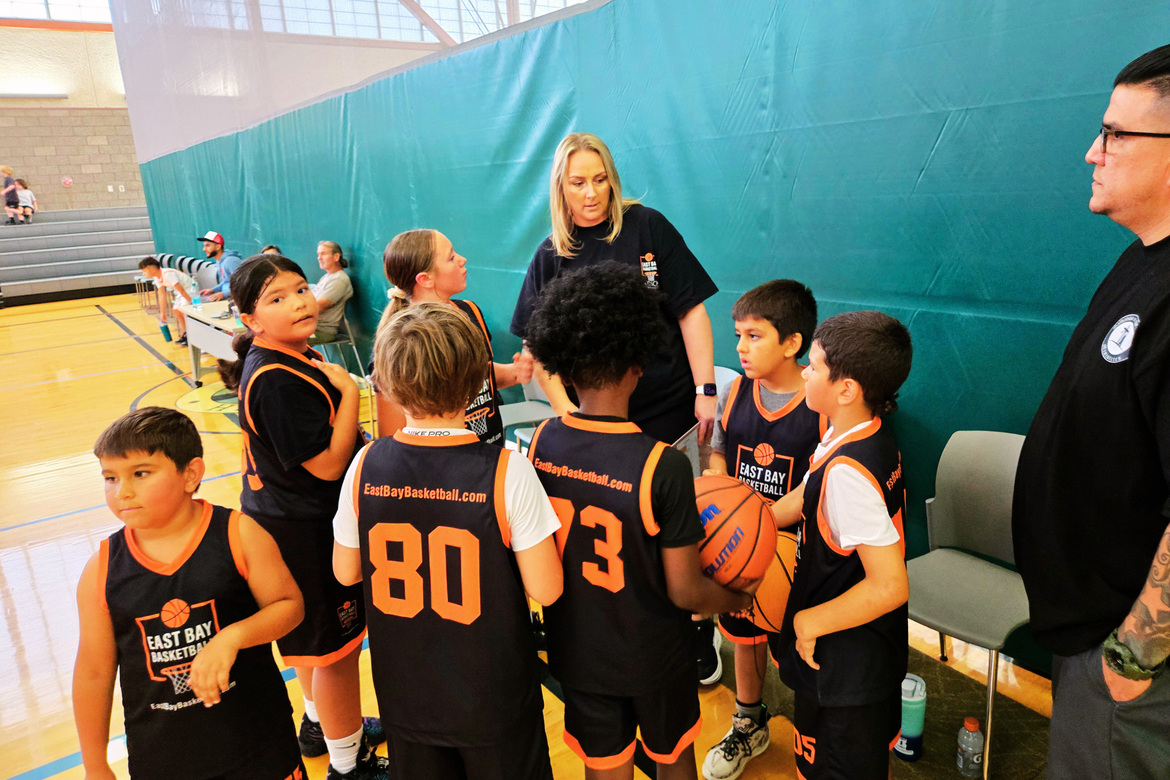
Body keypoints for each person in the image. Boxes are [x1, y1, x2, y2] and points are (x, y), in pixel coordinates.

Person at [524, 261, 756, 780]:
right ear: (638, 366)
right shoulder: (663, 465)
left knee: (604, 768)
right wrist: (739, 600)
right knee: (673, 762)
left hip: (578, 654)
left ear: (563, 364)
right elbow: (686, 592)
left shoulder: (539, 444)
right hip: (655, 660)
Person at [509, 131, 724, 680]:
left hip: (667, 408)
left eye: (600, 179)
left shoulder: (647, 226)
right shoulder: (550, 255)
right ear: (560, 186)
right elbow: (536, 352)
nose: (591, 193)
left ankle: (695, 631)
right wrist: (566, 412)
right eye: (579, 182)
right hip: (598, 424)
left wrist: (705, 391)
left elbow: (691, 311)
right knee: (621, 537)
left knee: (679, 529)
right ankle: (621, 630)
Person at [1012, 45, 1170, 780]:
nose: (1091, 152)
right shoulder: (1143, 257)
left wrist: (1134, 653)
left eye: (1113, 134)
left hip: (1131, 658)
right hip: (1087, 625)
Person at [333, 303, 563, 780]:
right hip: (493, 699)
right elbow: (548, 589)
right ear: (478, 379)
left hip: (405, 696)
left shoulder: (363, 466)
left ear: (389, 383)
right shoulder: (507, 471)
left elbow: (346, 572)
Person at [217, 254, 388, 780]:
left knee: (316, 650)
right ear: (250, 319)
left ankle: (320, 724)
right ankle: (348, 763)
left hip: (293, 523)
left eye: (299, 289)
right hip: (302, 533)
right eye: (276, 298)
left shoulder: (292, 355)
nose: (297, 302)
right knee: (334, 654)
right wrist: (345, 394)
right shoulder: (274, 378)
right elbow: (329, 464)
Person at [72, 407, 307, 780]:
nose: (123, 491)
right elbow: (93, 672)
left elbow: (290, 607)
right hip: (164, 758)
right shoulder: (101, 570)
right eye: (110, 478)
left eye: (141, 473)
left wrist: (233, 636)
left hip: (259, 744)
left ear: (191, 474)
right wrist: (95, 764)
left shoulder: (239, 534)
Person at [768, 310, 912, 780]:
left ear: (846, 388)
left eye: (814, 365)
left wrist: (810, 622)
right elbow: (807, 492)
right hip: (860, 651)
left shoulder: (849, 474)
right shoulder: (854, 433)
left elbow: (891, 585)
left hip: (847, 663)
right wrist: (758, 522)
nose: (806, 372)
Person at [700, 280, 824, 780]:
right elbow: (719, 453)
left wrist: (759, 522)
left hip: (798, 551)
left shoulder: (818, 401)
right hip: (746, 544)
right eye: (738, 336)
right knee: (743, 634)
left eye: (754, 336)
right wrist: (717, 491)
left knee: (800, 645)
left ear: (792, 343)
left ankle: (813, 734)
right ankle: (749, 722)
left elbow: (818, 483)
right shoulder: (736, 392)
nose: (740, 348)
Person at [373, 229, 532, 446]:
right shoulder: (403, 339)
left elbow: (478, 374)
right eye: (451, 257)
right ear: (425, 279)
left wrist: (513, 373)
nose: (462, 259)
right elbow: (390, 436)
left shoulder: (470, 311)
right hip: (443, 466)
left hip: (489, 450)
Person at [138, 256, 197, 346]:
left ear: (153, 269)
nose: (143, 274)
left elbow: (181, 290)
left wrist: (192, 303)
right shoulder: (157, 277)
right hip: (182, 291)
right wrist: (163, 314)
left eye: (144, 271)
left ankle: (193, 336)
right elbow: (162, 295)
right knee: (175, 311)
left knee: (184, 311)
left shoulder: (167, 274)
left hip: (190, 288)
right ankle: (185, 334)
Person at [310, 241, 354, 344]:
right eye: (318, 254)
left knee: (288, 338)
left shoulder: (339, 280)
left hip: (321, 332)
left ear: (336, 257)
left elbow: (317, 307)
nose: (319, 258)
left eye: (323, 254)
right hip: (310, 327)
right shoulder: (327, 277)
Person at [196, 231, 244, 302]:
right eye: (204, 246)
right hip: (227, 297)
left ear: (218, 246)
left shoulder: (230, 261)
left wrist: (224, 294)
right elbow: (226, 282)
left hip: (234, 300)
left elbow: (243, 283)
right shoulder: (219, 261)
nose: (204, 249)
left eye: (207, 245)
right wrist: (213, 290)